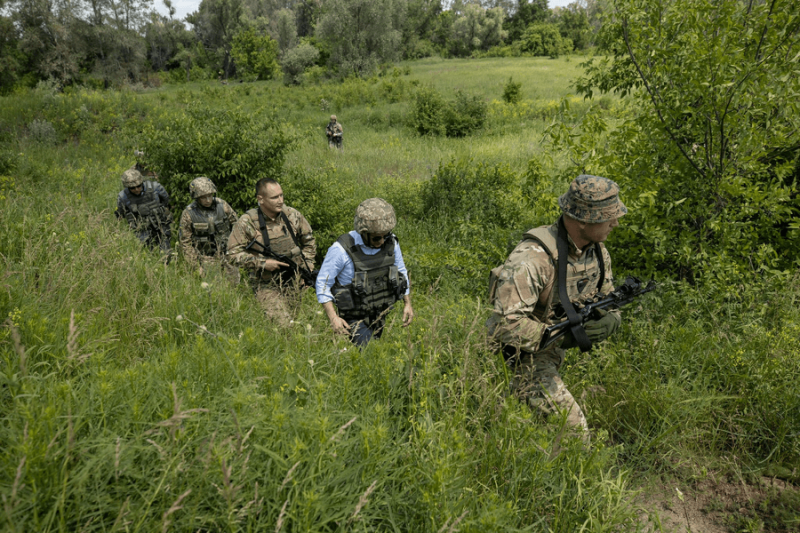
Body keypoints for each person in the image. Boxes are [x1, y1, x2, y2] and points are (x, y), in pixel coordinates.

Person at [486, 175, 627, 442]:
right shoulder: (532, 258)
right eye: (609, 216)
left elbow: (609, 296)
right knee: (574, 431)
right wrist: (565, 335)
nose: (615, 222)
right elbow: (505, 325)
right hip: (519, 357)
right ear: (584, 220)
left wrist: (612, 319)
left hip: (550, 352)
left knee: (530, 429)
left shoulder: (597, 252)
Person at [316, 198, 414, 347]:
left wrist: (407, 303)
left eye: (385, 235)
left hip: (380, 313)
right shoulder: (341, 250)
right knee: (370, 352)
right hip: (354, 318)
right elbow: (322, 283)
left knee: (377, 351)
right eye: (376, 237)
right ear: (363, 232)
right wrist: (333, 318)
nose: (382, 241)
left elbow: (400, 270)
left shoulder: (391, 242)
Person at [226, 178, 316, 326]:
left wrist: (307, 268)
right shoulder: (247, 222)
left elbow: (309, 241)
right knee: (284, 325)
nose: (280, 200)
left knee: (296, 321)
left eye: (281, 195)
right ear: (260, 199)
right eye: (274, 197)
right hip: (266, 285)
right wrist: (262, 263)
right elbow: (232, 254)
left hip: (294, 282)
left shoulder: (292, 215)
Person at [178, 177, 239, 279]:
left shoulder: (222, 205)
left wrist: (237, 249)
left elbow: (237, 226)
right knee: (214, 288)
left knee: (234, 284)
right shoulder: (188, 213)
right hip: (206, 258)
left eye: (210, 196)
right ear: (196, 197)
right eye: (203, 197)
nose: (208, 200)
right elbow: (185, 243)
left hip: (227, 253)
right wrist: (195, 266)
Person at [115, 168, 172, 254]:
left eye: (138, 186)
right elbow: (121, 213)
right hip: (142, 229)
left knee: (166, 252)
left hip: (160, 224)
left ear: (142, 182)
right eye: (132, 188)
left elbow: (166, 200)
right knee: (148, 253)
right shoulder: (123, 196)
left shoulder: (155, 187)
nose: (137, 189)